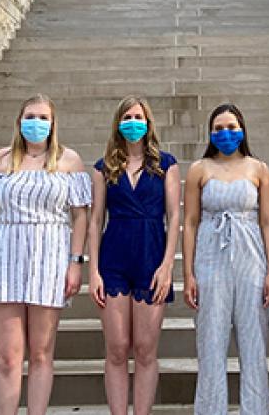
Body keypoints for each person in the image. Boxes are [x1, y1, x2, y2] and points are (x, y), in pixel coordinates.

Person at [0, 94, 91, 415]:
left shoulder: (69, 161)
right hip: (6, 255)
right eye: (30, 116)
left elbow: (80, 216)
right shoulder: (0, 161)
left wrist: (76, 263)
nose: (36, 123)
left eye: (43, 118)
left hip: (50, 256)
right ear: (19, 121)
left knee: (41, 354)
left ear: (53, 124)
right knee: (9, 356)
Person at [183, 103, 269, 415]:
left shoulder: (259, 168)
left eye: (232, 127)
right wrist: (188, 274)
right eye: (219, 128)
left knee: (254, 344)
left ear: (242, 129)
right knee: (211, 344)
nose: (226, 133)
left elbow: (268, 221)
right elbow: (191, 222)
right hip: (210, 255)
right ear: (210, 133)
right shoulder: (199, 169)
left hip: (251, 256)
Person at [89, 96, 181, 415]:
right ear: (118, 123)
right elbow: (96, 219)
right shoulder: (104, 168)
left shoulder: (166, 164)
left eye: (138, 117)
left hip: (151, 256)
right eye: (126, 117)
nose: (132, 122)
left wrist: (168, 265)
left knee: (145, 350)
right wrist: (93, 271)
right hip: (113, 258)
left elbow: (175, 216)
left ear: (148, 122)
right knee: (116, 349)